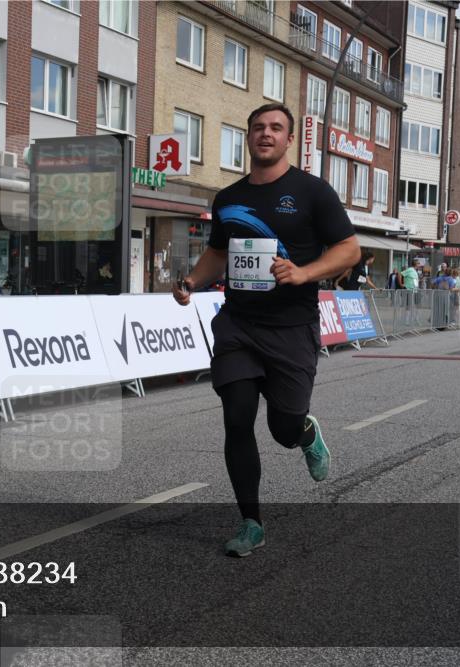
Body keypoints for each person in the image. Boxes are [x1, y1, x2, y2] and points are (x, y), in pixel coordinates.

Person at [172, 103, 359, 557]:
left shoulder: (312, 192)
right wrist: (192, 282)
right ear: (249, 136)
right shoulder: (228, 198)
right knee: (237, 419)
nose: (266, 134)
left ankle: (305, 433)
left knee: (282, 428)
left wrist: (304, 273)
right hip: (238, 325)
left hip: (291, 327)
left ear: (289, 139)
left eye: (276, 128)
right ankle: (250, 522)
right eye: (258, 127)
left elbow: (349, 249)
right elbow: (218, 252)